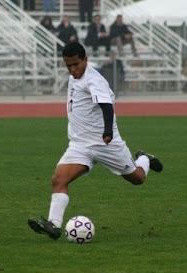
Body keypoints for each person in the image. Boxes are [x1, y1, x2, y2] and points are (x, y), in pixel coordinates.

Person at [28, 42, 163, 240]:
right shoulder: (74, 77)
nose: (73, 70)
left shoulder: (94, 80)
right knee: (59, 179)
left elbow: (107, 107)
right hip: (79, 145)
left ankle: (144, 159)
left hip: (105, 144)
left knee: (137, 178)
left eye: (76, 64)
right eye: (68, 66)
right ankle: (54, 225)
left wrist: (108, 132)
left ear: (85, 60)